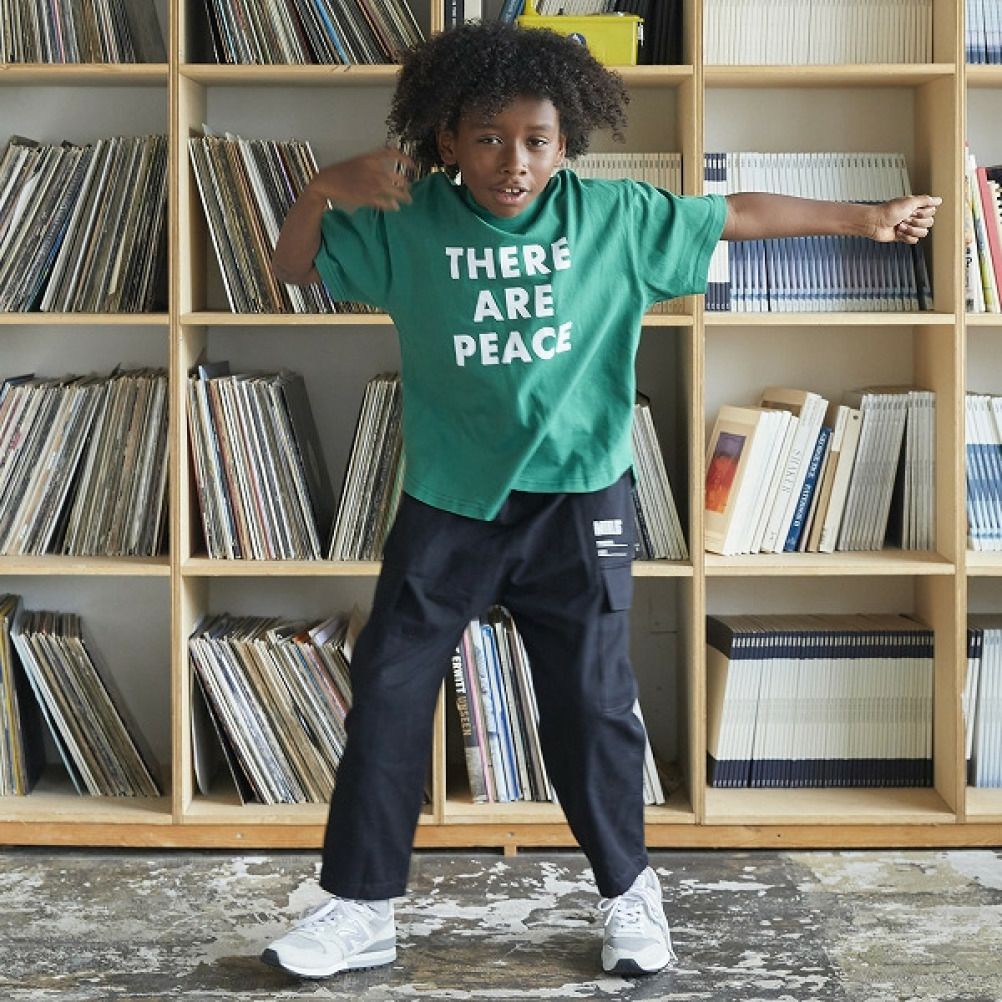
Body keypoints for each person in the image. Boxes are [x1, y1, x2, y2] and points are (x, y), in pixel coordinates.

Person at [261, 20, 939, 981]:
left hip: (578, 504)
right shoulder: (410, 221)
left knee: (591, 705)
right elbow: (293, 268)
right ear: (446, 138)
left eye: (536, 141)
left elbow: (735, 213)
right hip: (449, 505)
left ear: (567, 142)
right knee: (389, 694)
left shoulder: (616, 217)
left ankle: (629, 893)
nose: (513, 161)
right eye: (488, 138)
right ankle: (361, 906)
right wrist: (323, 187)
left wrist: (865, 219)